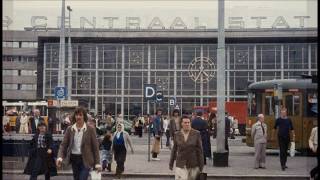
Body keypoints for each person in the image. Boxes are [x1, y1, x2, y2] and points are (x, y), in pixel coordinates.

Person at [56, 107, 102, 180]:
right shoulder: (70, 129)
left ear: (84, 116)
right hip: (74, 158)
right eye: (76, 115)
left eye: (80, 115)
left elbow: (95, 147)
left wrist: (97, 163)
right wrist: (60, 157)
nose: (78, 117)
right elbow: (63, 145)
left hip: (86, 160)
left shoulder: (90, 129)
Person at [169, 116, 204, 180]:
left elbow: (200, 151)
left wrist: (201, 166)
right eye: (185, 122)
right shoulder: (177, 134)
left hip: (193, 164)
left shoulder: (196, 133)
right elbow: (174, 150)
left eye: (188, 122)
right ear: (181, 124)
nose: (187, 124)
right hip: (181, 164)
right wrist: (171, 163)